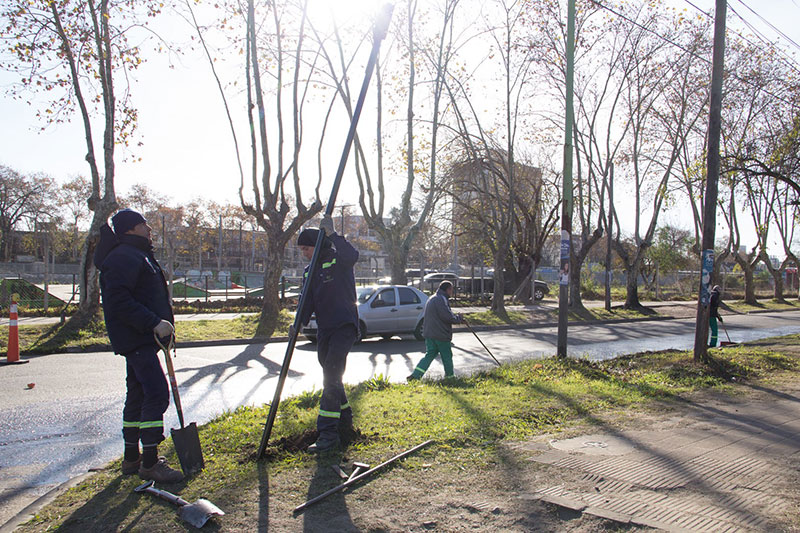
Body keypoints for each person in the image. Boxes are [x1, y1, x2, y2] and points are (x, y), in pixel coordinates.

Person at [94, 208, 183, 483]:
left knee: (137, 395)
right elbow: (118, 301)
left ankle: (131, 458)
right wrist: (153, 322)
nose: (150, 228)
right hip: (137, 337)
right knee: (156, 394)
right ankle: (150, 462)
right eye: (144, 224)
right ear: (130, 229)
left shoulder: (136, 254)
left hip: (140, 338)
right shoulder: (124, 257)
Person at [294, 214, 360, 452]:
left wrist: (333, 234)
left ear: (318, 245)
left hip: (344, 326)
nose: (304, 253)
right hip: (325, 329)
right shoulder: (309, 271)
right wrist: (298, 323)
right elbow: (306, 301)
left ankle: (328, 433)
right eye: (302, 250)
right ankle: (345, 418)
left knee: (331, 373)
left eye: (306, 248)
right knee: (331, 373)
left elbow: (352, 256)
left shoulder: (337, 260)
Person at [408, 280, 463, 380]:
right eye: (451, 290)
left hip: (430, 333)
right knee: (447, 356)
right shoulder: (441, 299)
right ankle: (450, 377)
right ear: (447, 289)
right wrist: (458, 318)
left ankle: (415, 375)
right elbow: (447, 316)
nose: (452, 292)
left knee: (429, 355)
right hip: (440, 334)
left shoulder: (433, 298)